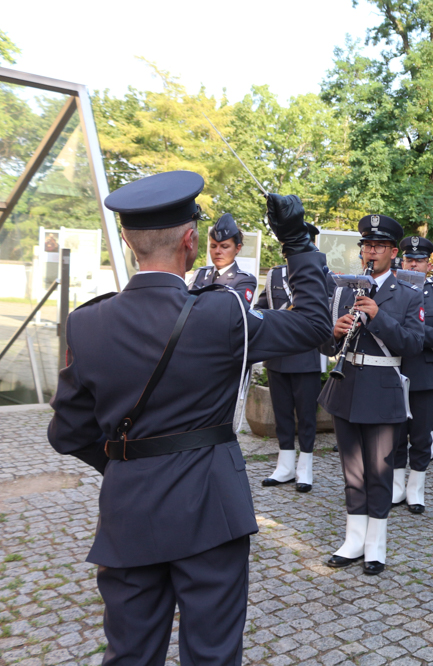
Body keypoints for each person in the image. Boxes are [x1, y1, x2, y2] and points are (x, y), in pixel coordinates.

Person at [47, 171, 331, 665]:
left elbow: (66, 432)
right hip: (210, 510)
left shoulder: (87, 322)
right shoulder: (222, 314)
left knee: (130, 655)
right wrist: (297, 240)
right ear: (190, 240)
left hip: (128, 512)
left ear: (127, 239)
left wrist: (127, 463)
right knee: (212, 655)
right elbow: (313, 325)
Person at [320, 214, 425, 575]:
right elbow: (326, 344)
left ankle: (375, 545)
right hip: (346, 384)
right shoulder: (344, 290)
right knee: (352, 470)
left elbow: (413, 343)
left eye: (379, 246)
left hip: (383, 389)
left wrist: (378, 316)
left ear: (393, 252)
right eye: (367, 245)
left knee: (379, 471)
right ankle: (353, 539)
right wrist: (334, 332)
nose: (371, 251)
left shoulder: (409, 294)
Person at [258, 223, 330, 492]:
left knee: (307, 415)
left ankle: (305, 468)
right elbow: (261, 307)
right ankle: (285, 466)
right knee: (282, 413)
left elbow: (328, 311)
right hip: (277, 355)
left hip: (306, 354)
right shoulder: (274, 275)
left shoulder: (322, 275)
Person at [393, 236, 433, 513]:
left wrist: (412, 329)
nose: (413, 265)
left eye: (418, 261)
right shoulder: (389, 292)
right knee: (393, 435)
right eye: (408, 260)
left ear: (429, 265)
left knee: (420, 436)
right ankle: (395, 486)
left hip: (424, 374)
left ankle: (416, 488)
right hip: (393, 371)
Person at [188, 213, 257, 304]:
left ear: (237, 248)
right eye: (213, 246)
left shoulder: (244, 280)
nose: (217, 251)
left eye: (224, 247)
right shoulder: (200, 274)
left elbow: (233, 312)